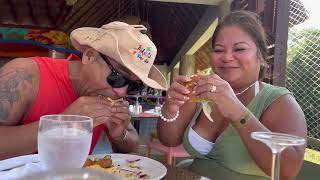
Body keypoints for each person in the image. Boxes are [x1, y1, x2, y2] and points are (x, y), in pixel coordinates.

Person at [157, 10, 307, 180]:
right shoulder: (202, 89)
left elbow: (287, 171)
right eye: (219, 50)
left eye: (240, 48)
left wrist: (237, 111)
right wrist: (170, 108)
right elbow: (169, 140)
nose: (227, 57)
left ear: (261, 57)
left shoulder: (278, 101)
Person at [0, 22, 168, 160]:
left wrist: (120, 135)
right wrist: (60, 124)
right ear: (89, 55)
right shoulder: (24, 75)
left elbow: (132, 145)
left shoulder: (107, 93)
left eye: (133, 86)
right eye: (118, 77)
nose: (122, 91)